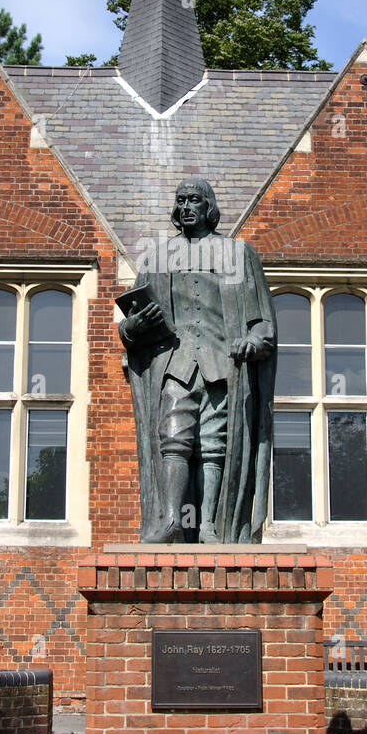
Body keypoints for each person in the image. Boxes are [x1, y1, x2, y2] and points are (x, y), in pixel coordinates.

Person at [119, 176, 276, 543]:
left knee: (213, 442)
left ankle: (207, 524)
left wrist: (254, 341)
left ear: (209, 207)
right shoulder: (157, 257)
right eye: (181, 200)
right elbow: (129, 327)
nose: (186, 207)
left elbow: (263, 323)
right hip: (175, 365)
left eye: (194, 200)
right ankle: (172, 520)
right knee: (173, 437)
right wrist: (134, 326)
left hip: (222, 367)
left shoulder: (238, 255)